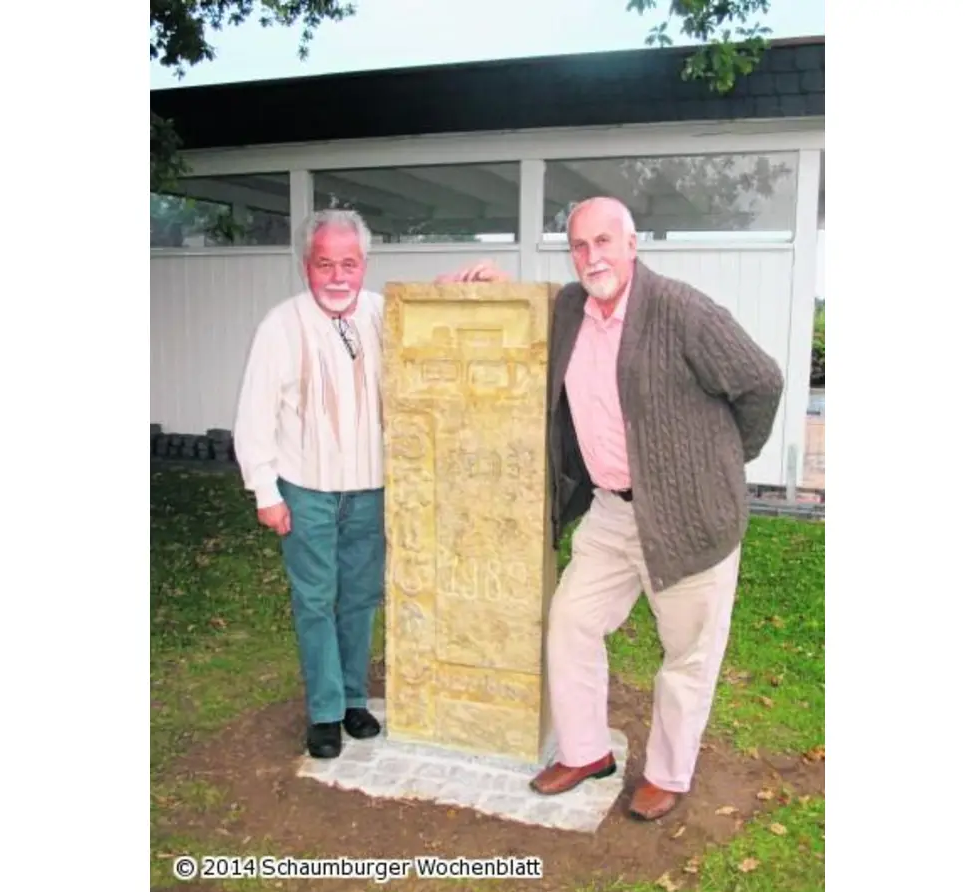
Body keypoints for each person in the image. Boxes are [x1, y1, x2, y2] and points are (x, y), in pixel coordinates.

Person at [440, 197, 786, 821]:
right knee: (571, 620)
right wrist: (493, 290)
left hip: (690, 518)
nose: (592, 255)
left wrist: (724, 464)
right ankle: (585, 750)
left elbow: (761, 381)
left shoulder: (683, 311)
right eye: (578, 245)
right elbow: (527, 321)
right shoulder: (570, 308)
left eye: (604, 241)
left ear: (632, 244)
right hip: (611, 511)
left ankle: (667, 773)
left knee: (688, 653)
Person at [232, 209, 387, 760]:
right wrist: (265, 492)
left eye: (349, 263)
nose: (338, 275)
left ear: (364, 264)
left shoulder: (383, 316)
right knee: (316, 600)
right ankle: (324, 712)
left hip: (371, 491)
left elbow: (440, 331)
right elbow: (254, 415)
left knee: (361, 599)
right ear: (307, 267)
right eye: (326, 264)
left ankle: (352, 699)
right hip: (307, 491)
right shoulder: (280, 325)